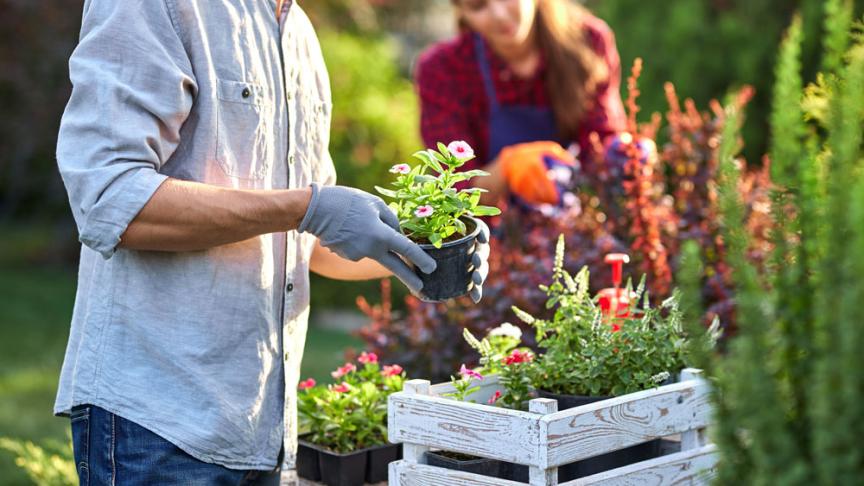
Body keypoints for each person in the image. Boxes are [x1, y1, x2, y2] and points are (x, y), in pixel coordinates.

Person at [53, 1, 489, 484]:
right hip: (157, 426)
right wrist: (307, 207)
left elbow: (314, 244)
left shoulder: (296, 29)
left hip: (261, 432)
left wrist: (423, 250)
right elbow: (110, 199)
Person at [416, 0, 628, 209]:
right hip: (497, 233)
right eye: (477, 6)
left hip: (578, 216)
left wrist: (623, 155)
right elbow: (456, 191)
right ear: (461, 11)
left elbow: (600, 142)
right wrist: (506, 168)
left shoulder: (587, 40)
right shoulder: (442, 70)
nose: (499, 15)